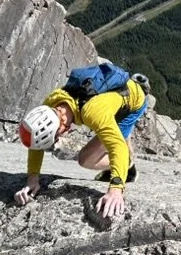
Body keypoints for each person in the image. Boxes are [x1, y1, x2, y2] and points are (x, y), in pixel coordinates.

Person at [14, 72, 150, 219]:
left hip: (133, 102)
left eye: (56, 137)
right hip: (118, 93)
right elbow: (36, 140)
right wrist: (32, 178)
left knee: (86, 159)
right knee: (112, 134)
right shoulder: (52, 103)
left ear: (61, 128)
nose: (58, 138)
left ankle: (128, 167)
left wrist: (116, 190)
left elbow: (117, 147)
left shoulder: (92, 112)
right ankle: (122, 149)